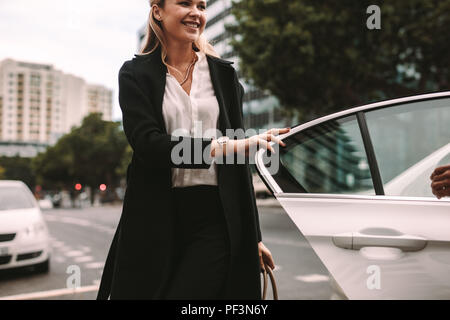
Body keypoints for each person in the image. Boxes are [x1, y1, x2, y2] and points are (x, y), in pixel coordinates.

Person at [97, 0, 290, 300]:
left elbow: (239, 168)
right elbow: (149, 146)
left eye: (201, 5)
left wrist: (254, 237)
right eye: (185, 3)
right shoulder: (134, 75)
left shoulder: (224, 75)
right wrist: (223, 147)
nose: (196, 13)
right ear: (158, 11)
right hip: (154, 216)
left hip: (215, 218)